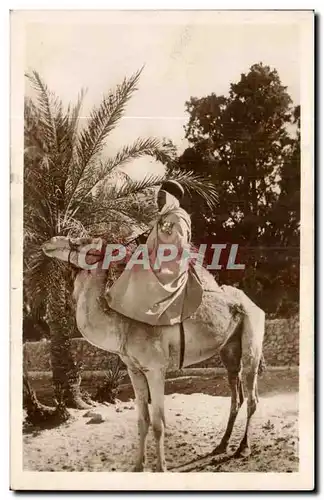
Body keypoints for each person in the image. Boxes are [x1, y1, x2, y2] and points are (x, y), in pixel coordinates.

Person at [105, 180, 203, 326]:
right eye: (158, 199)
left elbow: (177, 245)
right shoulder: (163, 218)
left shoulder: (178, 217)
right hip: (159, 259)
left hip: (171, 264)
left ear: (171, 199)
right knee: (136, 264)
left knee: (138, 266)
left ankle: (135, 311)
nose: (158, 202)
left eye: (161, 199)